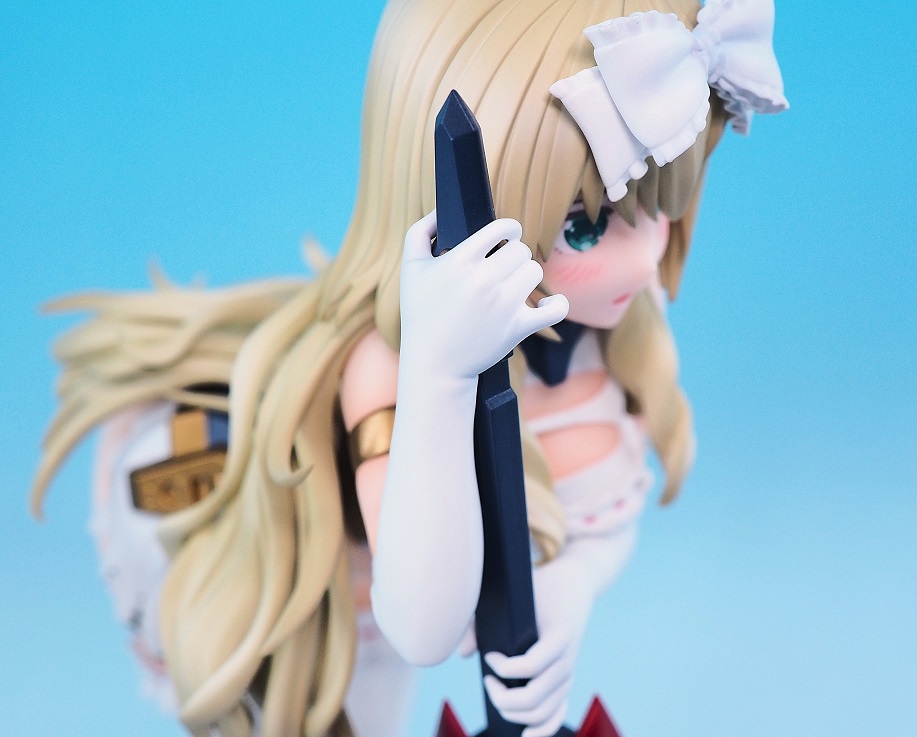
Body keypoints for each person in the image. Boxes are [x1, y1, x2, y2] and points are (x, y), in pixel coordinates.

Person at [31, 1, 786, 735]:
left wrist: (572, 581)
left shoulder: (613, 326)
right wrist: (440, 378)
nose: (642, 256)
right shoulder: (389, 369)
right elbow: (424, 627)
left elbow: (606, 508)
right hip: (334, 596)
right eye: (583, 227)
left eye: (662, 201)